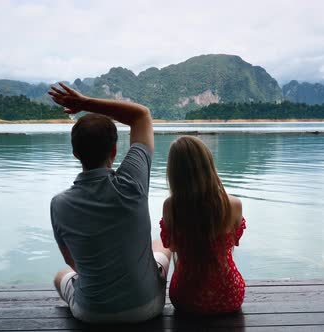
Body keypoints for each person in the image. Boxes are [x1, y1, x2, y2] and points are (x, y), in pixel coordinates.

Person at [48, 83, 171, 324]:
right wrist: (83, 103)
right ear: (114, 151)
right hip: (147, 307)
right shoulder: (132, 185)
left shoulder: (58, 204)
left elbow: (71, 261)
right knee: (162, 247)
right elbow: (141, 115)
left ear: (75, 153)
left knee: (61, 276)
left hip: (92, 313)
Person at [160, 136, 246, 314]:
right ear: (208, 165)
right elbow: (234, 242)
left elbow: (173, 246)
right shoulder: (234, 205)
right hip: (230, 296)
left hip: (186, 298)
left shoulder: (171, 206)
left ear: (174, 172)